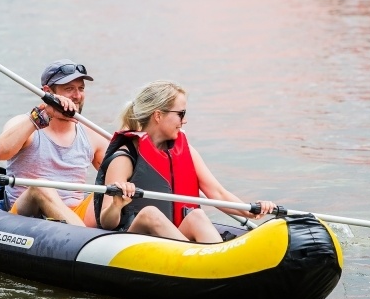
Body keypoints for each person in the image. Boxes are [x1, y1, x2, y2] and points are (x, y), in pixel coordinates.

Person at [94, 80, 275, 242]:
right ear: (158, 115)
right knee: (150, 214)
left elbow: (218, 193)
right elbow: (107, 222)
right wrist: (116, 206)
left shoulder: (186, 152)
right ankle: (200, 259)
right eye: (181, 113)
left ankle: (211, 262)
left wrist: (252, 210)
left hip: (174, 239)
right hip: (135, 242)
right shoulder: (125, 157)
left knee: (196, 215)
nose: (185, 120)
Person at [0, 59, 108, 226]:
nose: (77, 96)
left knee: (116, 191)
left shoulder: (92, 134)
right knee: (41, 186)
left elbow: (117, 172)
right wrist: (41, 116)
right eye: (69, 89)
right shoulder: (24, 123)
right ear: (47, 92)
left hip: (75, 215)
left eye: (81, 88)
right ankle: (87, 241)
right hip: (26, 214)